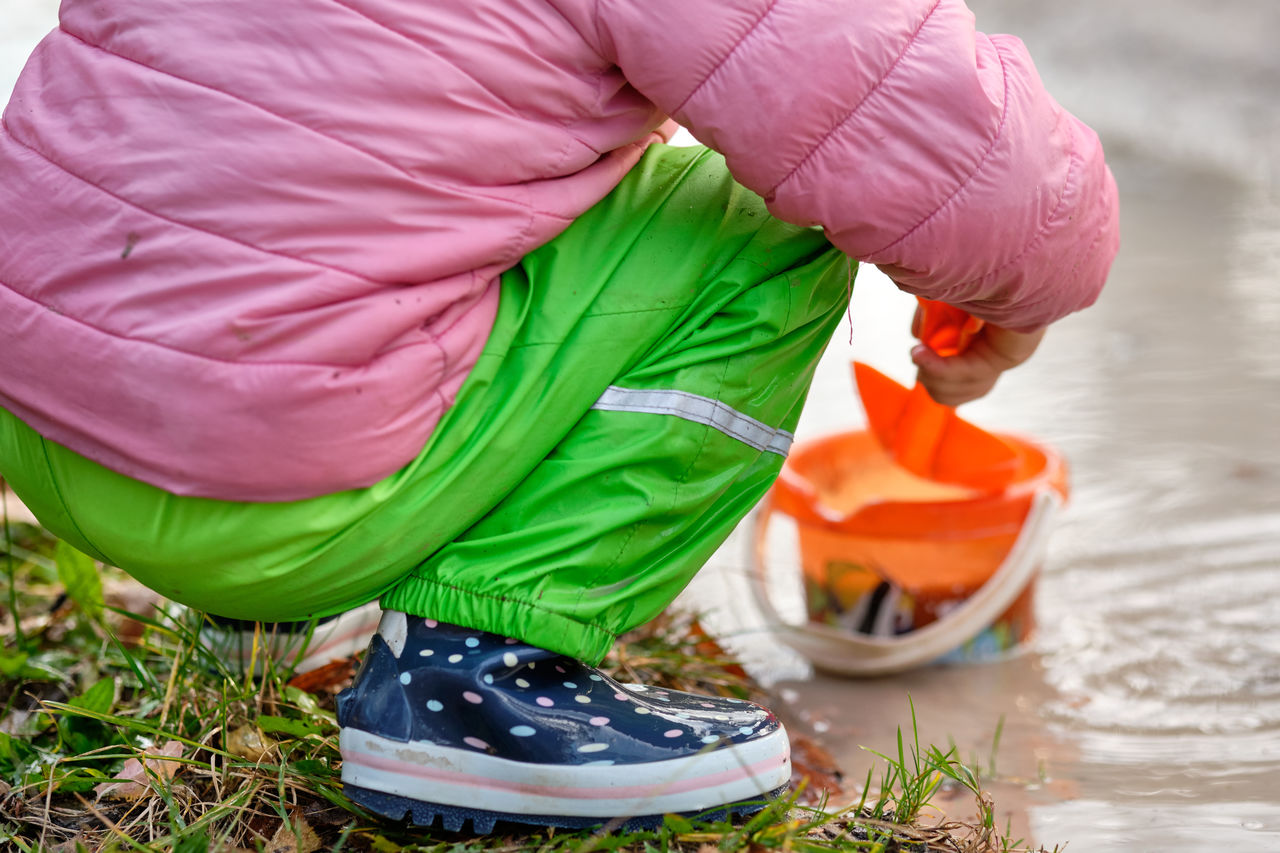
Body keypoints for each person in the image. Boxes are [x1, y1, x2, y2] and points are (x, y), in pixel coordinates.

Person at [0, 0, 1119, 834]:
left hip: (49, 427)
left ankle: (281, 629)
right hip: (279, 500)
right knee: (762, 224)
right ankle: (474, 681)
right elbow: (948, 141)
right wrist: (1015, 298)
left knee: (431, 161)